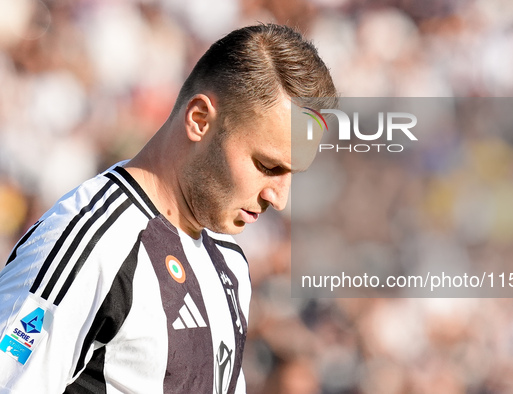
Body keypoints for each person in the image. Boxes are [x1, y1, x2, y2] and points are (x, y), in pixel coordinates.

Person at [0, 23, 337, 393]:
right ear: (200, 120)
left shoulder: (229, 261)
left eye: (292, 174)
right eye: (267, 166)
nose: (280, 197)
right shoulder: (93, 242)